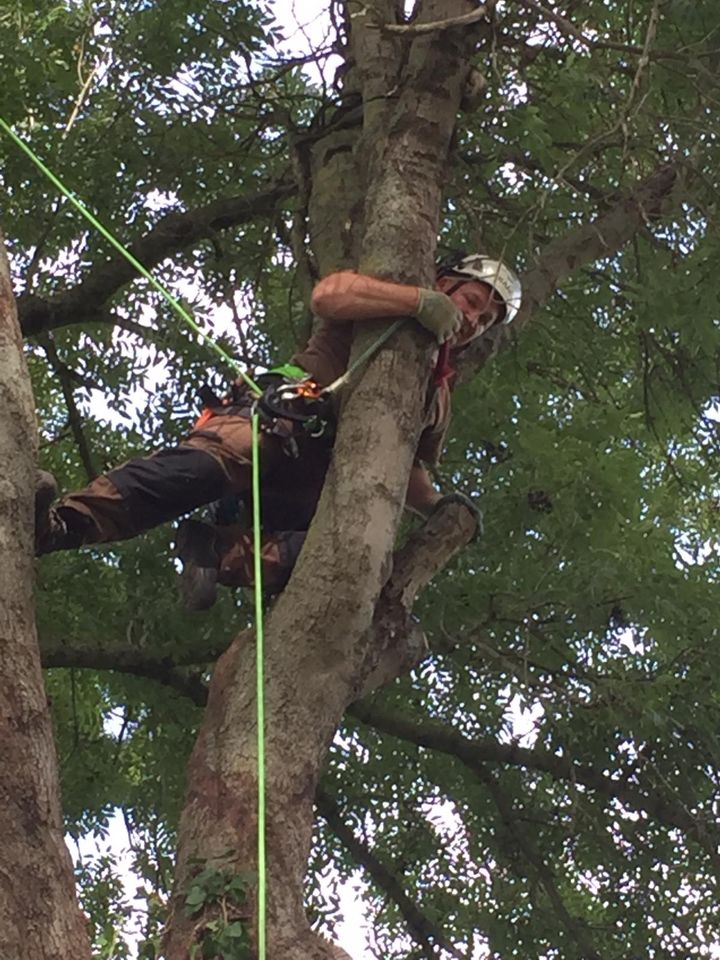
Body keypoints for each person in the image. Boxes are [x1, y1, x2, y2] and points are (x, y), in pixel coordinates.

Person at [35, 253, 522, 608]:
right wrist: (418, 301)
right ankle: (66, 524)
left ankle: (218, 550)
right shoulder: (382, 307)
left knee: (349, 553)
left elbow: (411, 470)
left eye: (485, 320)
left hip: (315, 489)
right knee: (206, 467)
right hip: (281, 424)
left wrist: (439, 507)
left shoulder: (437, 395)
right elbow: (329, 294)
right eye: (472, 301)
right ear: (445, 282)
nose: (473, 320)